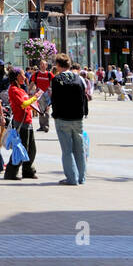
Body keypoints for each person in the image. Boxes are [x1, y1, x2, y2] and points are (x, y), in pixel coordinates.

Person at [50, 53, 89, 185]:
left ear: (58, 65)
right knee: (79, 149)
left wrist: (55, 113)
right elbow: (84, 98)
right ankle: (81, 177)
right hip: (77, 118)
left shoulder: (56, 80)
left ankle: (72, 178)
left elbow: (54, 99)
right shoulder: (78, 79)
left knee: (67, 150)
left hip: (62, 118)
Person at [4, 67, 38, 179]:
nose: (25, 77)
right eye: (22, 75)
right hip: (20, 123)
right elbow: (23, 104)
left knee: (31, 149)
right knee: (20, 148)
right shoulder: (13, 89)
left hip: (28, 122)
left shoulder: (22, 90)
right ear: (17, 77)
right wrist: (35, 98)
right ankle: (10, 172)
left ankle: (28, 171)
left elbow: (28, 104)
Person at [31, 59, 54, 132]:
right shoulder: (36, 74)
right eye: (41, 64)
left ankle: (46, 126)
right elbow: (32, 82)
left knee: (46, 110)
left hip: (47, 93)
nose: (43, 66)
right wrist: (28, 90)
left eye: (44, 64)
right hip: (39, 94)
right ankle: (41, 126)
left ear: (47, 66)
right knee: (40, 110)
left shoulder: (49, 74)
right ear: (39, 65)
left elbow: (54, 83)